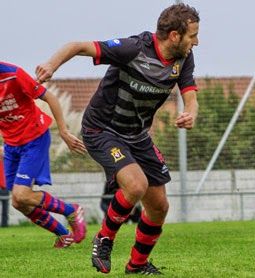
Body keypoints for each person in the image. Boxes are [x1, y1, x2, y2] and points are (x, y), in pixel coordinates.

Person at [36, 3, 200, 275]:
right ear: (174, 35)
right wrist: (51, 65)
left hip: (137, 135)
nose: (197, 41)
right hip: (101, 130)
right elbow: (77, 45)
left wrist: (190, 113)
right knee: (135, 185)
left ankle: (136, 265)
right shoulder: (133, 48)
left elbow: (191, 97)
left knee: (159, 207)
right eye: (193, 35)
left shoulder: (184, 57)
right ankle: (103, 238)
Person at [0, 61, 87, 246]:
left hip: (34, 139)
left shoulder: (14, 74)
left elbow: (51, 98)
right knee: (17, 202)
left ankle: (72, 210)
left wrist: (64, 131)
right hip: (11, 145)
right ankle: (64, 235)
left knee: (22, 194)